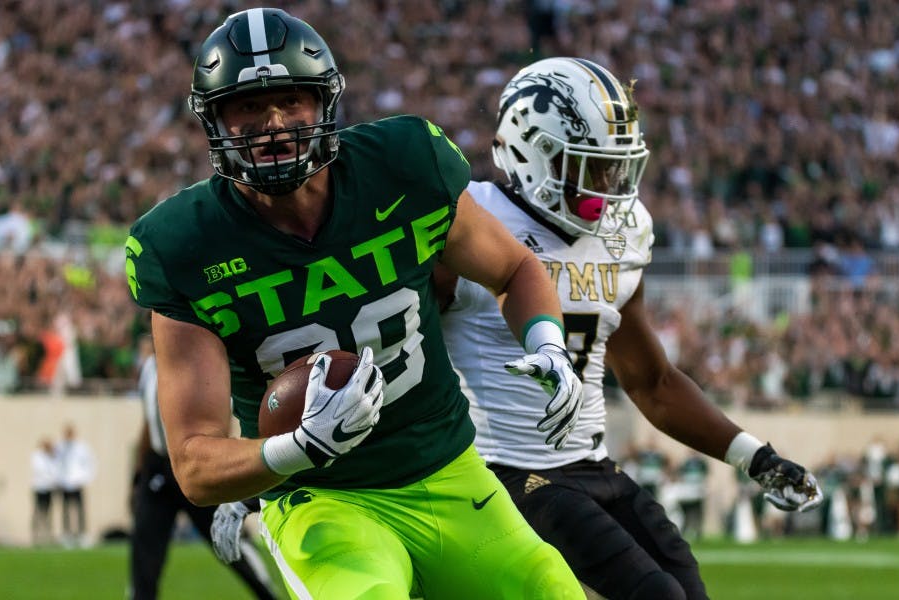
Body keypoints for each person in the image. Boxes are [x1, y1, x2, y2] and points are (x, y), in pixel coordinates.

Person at [125, 8, 584, 599]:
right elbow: (192, 460)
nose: (273, 123)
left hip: (445, 468)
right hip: (321, 497)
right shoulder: (185, 244)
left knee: (549, 587)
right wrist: (299, 446)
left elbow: (516, 268)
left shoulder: (404, 164)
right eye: (247, 107)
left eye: (292, 101)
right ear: (214, 120)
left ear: (325, 104)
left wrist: (547, 341)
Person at [435, 57, 824, 600]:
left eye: (617, 168)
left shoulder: (625, 234)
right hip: (504, 471)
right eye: (594, 168)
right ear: (534, 155)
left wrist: (755, 458)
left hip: (592, 465)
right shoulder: (471, 220)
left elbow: (652, 384)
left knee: (687, 589)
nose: (611, 187)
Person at [129, 339, 281, 600]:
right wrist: (138, 474)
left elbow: (222, 420)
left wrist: (222, 463)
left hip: (195, 464)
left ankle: (267, 592)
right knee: (144, 548)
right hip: (159, 467)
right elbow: (147, 422)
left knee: (230, 541)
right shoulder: (149, 368)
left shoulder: (200, 367)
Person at [55, 422, 95, 547]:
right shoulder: (60, 447)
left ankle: (82, 534)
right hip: (65, 483)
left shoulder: (81, 447)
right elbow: (57, 464)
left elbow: (89, 463)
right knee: (66, 510)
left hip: (77, 483)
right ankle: (67, 535)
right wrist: (59, 479)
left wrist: (84, 479)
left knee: (80, 509)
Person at [30, 437, 59, 545]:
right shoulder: (37, 456)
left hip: (49, 489)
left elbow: (55, 471)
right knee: (38, 512)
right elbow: (40, 471)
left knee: (48, 513)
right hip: (39, 488)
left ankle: (47, 536)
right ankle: (36, 536)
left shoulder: (53, 457)